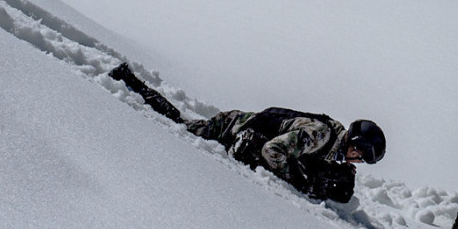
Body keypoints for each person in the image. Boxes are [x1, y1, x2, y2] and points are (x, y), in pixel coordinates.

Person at [108, 63, 385, 203]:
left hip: (244, 128)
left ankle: (130, 80)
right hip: (234, 128)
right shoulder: (321, 135)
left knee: (182, 124)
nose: (356, 161)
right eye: (360, 156)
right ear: (356, 145)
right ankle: (129, 81)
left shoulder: (331, 143)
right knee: (179, 126)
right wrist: (299, 182)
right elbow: (272, 151)